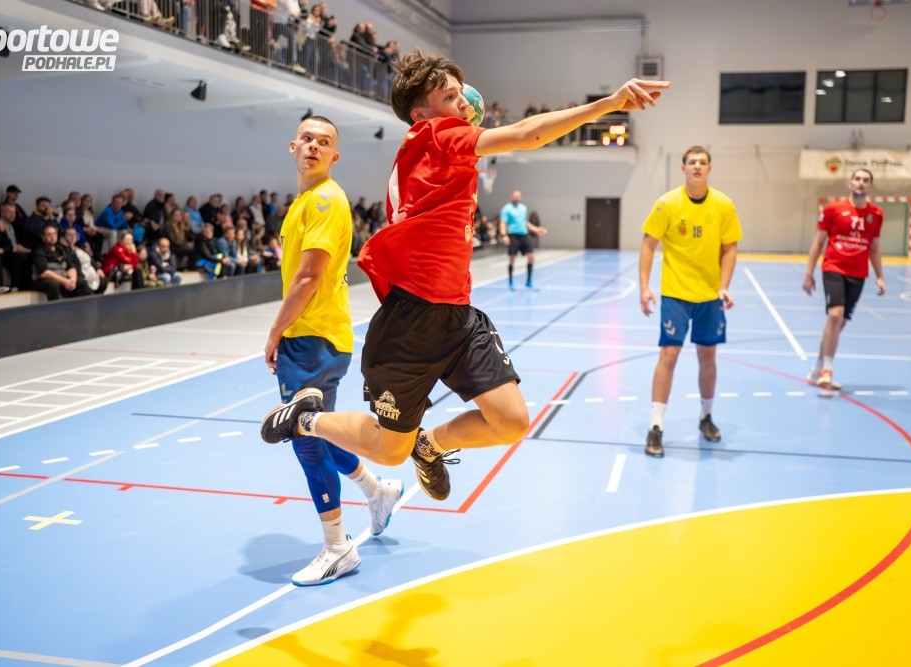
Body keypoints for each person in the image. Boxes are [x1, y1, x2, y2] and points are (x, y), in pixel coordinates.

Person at [260, 49, 669, 501]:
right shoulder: (437, 134)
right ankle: (305, 418)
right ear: (421, 114)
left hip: (456, 313)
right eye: (450, 95)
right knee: (388, 451)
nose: (461, 101)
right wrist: (609, 104)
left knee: (511, 421)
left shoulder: (437, 147)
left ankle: (430, 445)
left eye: (461, 94)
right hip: (409, 322)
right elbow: (528, 135)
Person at [262, 116, 402, 586]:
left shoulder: (324, 199)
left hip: (313, 337)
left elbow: (308, 277)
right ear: (292, 146)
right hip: (315, 336)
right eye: (307, 139)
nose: (314, 146)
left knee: (305, 440)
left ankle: (338, 548)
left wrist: (275, 331)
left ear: (334, 156)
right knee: (317, 434)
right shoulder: (303, 201)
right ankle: (377, 491)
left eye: (324, 142)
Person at [639, 146, 742, 458]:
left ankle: (706, 416)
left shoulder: (723, 205)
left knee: (707, 356)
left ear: (709, 168)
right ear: (683, 167)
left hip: (709, 296)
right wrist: (644, 287)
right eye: (692, 162)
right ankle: (656, 425)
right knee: (669, 355)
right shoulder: (667, 203)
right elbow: (648, 244)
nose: (697, 166)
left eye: (703, 162)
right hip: (676, 292)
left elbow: (730, 248)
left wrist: (724, 287)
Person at [803, 168, 886, 390]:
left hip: (858, 273)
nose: (861, 183)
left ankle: (818, 367)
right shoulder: (833, 209)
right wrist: (809, 274)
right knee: (835, 315)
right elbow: (818, 242)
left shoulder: (876, 214)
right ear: (850, 183)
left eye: (865, 180)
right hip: (833, 268)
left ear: (870, 186)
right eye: (857, 179)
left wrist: (880, 276)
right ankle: (827, 370)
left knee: (839, 323)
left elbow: (875, 248)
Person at [498, 189, 548, 290]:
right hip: (513, 235)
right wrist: (503, 235)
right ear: (511, 197)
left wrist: (537, 229)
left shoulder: (523, 208)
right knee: (512, 259)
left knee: (531, 257)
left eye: (518, 196)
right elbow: (503, 223)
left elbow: (526, 223)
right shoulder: (506, 209)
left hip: (524, 235)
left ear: (520, 197)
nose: (516, 197)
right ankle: (511, 283)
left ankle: (529, 282)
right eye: (515, 196)